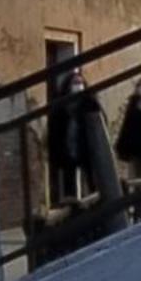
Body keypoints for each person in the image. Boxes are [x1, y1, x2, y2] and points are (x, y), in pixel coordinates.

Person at [47, 69, 102, 203]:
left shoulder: (90, 102)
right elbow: (54, 130)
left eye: (80, 83)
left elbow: (99, 120)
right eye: (75, 83)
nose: (78, 86)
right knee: (69, 182)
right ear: (68, 86)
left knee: (92, 180)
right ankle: (72, 209)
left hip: (86, 147)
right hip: (67, 146)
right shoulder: (60, 107)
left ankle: (96, 206)